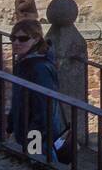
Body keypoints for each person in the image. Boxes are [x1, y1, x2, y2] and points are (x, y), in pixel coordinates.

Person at [7, 19, 66, 160]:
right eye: (13, 38)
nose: (16, 42)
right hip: (29, 130)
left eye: (22, 39)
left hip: (40, 136)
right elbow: (18, 99)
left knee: (42, 168)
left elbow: (44, 109)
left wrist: (33, 142)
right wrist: (10, 126)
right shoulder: (24, 62)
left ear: (36, 39)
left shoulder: (39, 68)